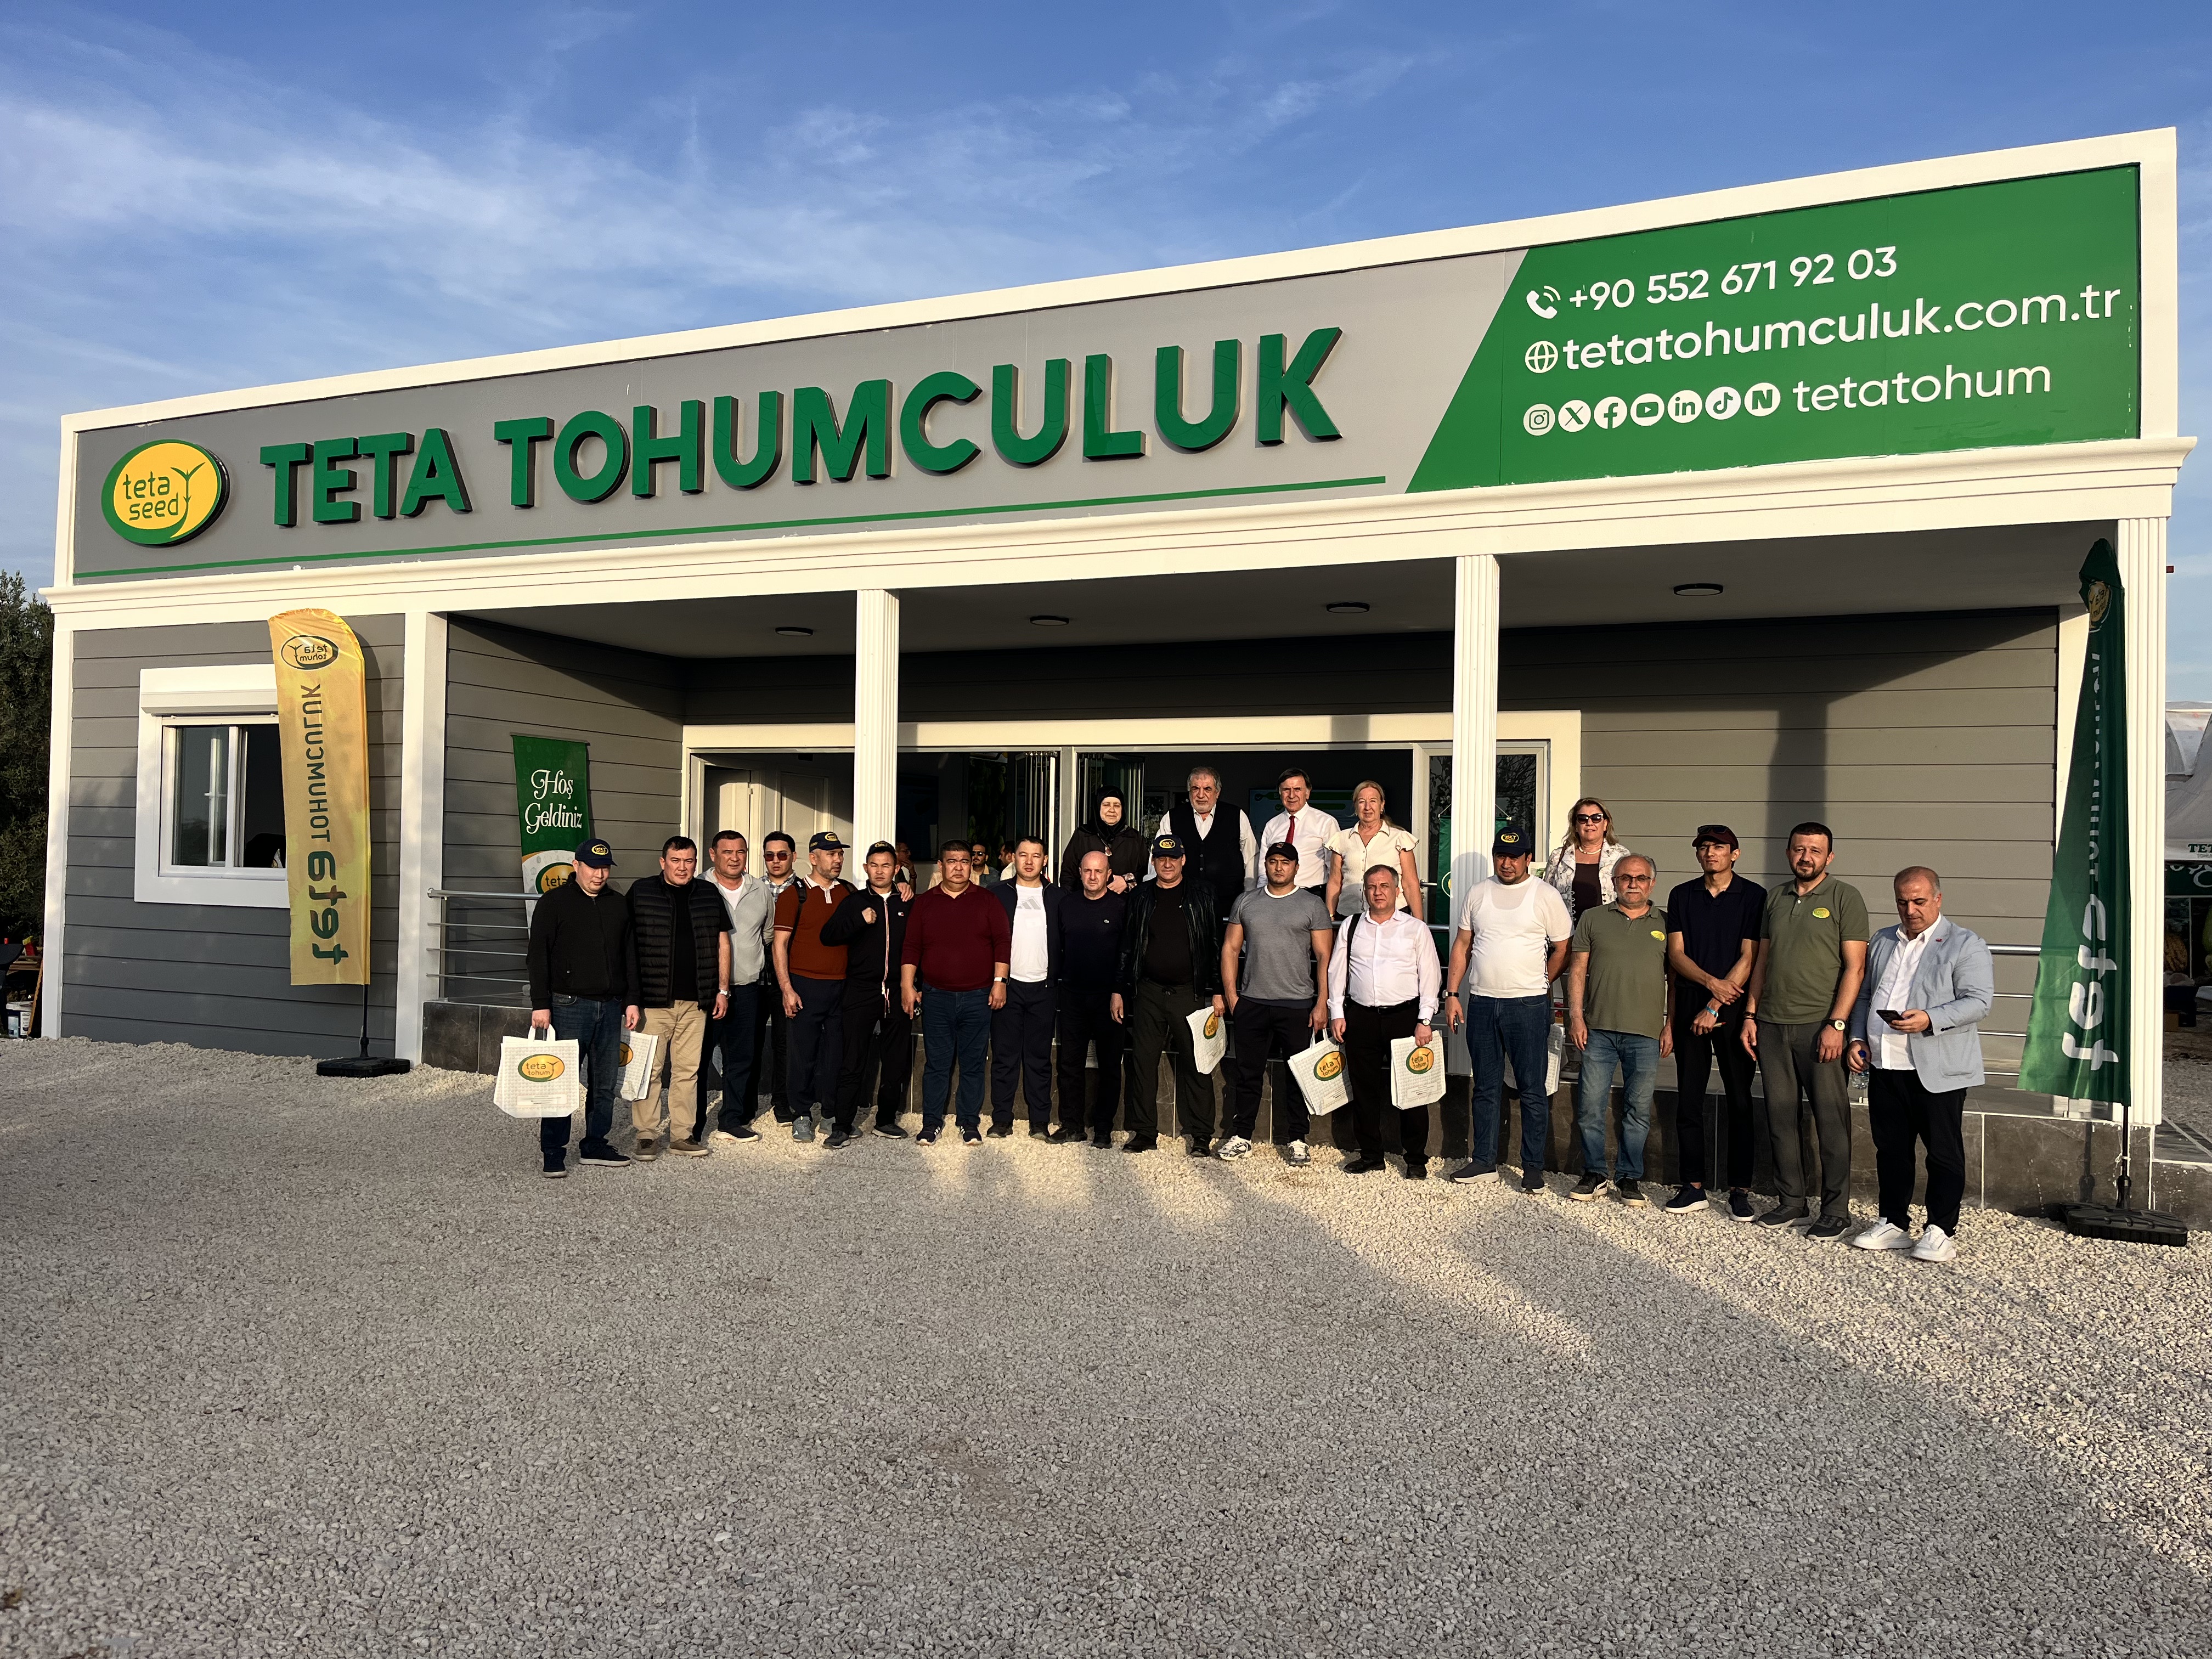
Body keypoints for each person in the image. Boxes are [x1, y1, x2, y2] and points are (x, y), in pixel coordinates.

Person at [1848, 867, 1994, 1263]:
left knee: (1943, 1152)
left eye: (1919, 901)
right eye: (1902, 902)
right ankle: (1893, 1223)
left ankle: (1941, 1230)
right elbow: (1865, 996)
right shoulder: (1883, 940)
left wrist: (1930, 1018)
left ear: (1938, 899)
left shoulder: (1965, 944)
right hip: (1885, 1064)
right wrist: (1857, 1038)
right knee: (1891, 1150)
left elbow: (1979, 1001)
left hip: (1938, 1068)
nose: (1910, 910)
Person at [1742, 822, 1870, 1239]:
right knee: (1780, 1118)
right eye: (1799, 849)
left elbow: (1855, 968)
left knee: (1831, 1121)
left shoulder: (1845, 897)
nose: (1806, 857)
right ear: (1788, 853)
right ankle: (1791, 1201)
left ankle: (1836, 1210)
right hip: (1772, 1026)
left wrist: (1837, 1024)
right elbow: (1762, 962)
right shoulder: (1775, 898)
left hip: (1820, 1027)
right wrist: (1751, 1015)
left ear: (1829, 857)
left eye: (1815, 850)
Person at [1443, 828, 1573, 1190]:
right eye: (1501, 855)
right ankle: (1483, 1161)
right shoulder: (1478, 893)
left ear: (1528, 858)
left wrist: (1542, 981)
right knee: (1485, 1087)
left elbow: (1563, 947)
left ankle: (1533, 1168)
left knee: (1532, 1088)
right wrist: (1452, 994)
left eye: (1515, 856)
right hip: (1482, 1002)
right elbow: (1462, 945)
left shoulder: (1545, 895)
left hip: (1528, 1006)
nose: (1507, 862)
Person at [1662, 826, 1765, 1218]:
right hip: (1692, 1002)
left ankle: (1740, 1188)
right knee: (1689, 1098)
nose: (1710, 853)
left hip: (1733, 1009)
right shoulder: (1682, 895)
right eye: (1704, 847)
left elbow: (1750, 957)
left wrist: (1716, 1006)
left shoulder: (1753, 896)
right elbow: (1676, 954)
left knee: (1740, 1098)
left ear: (1734, 854)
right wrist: (1709, 986)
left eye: (1719, 847)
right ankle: (1693, 1186)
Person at [526, 838, 640, 1177]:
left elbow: (630, 956)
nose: (599, 874)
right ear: (576, 866)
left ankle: (595, 1144)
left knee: (604, 1084)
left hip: (611, 1007)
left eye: (605, 868)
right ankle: (553, 1151)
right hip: (568, 1006)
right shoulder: (553, 902)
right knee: (560, 1081)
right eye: (593, 867)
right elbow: (538, 956)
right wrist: (540, 1004)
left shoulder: (618, 904)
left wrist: (632, 999)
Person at [1565, 854, 1672, 1205]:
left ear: (1652, 884)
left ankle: (1629, 1177)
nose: (1633, 884)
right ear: (1614, 882)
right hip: (1598, 1030)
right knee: (1590, 1108)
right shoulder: (1593, 918)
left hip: (1646, 1032)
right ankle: (1595, 1173)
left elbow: (1676, 980)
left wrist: (1670, 1024)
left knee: (1637, 1110)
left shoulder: (1667, 923)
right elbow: (1577, 971)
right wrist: (1576, 1017)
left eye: (1641, 878)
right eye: (1625, 878)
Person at [1220, 841, 1334, 1164]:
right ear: (1265, 865)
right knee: (1247, 1073)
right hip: (1252, 1002)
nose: (1279, 867)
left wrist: (1322, 1002)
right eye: (1273, 861)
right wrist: (1232, 996)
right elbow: (1230, 949)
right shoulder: (1246, 901)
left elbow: (1325, 956)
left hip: (1297, 1004)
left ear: (1296, 867)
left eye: (1286, 862)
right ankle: (1242, 1135)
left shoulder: (1312, 905)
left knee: (1297, 1074)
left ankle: (1298, 1138)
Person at [1114, 833, 1225, 1155]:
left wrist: (1218, 990)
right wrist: (1119, 990)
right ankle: (1144, 1132)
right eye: (1161, 858)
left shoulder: (1203, 894)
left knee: (1198, 1065)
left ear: (1183, 860)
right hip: (1147, 992)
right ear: (1153, 861)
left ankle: (1201, 1135)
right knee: (1143, 1064)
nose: (1167, 864)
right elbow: (1127, 946)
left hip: (1189, 993)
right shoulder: (1140, 896)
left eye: (1173, 858)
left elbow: (1215, 946)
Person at [1328, 865, 1441, 1178]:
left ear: (1397, 891)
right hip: (1361, 1016)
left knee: (1412, 1088)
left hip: (1404, 1018)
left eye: (1385, 886)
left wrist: (1425, 1019)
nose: (1378, 892)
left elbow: (1430, 975)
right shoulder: (1351, 926)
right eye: (1372, 887)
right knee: (1364, 1089)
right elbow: (1336, 971)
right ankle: (1370, 1155)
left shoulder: (1415, 928)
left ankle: (1416, 1158)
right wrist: (1337, 1012)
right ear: (1365, 891)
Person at [625, 836, 732, 1161]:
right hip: (653, 1001)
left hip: (696, 1002)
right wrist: (631, 998)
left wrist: (722, 989)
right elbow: (626, 946)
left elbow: (722, 943)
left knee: (687, 1071)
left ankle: (682, 1135)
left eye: (689, 861)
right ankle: (646, 1135)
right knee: (648, 1070)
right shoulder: (642, 892)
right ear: (663, 862)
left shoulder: (708, 893)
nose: (682, 867)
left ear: (696, 863)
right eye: (675, 860)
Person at [901, 840, 1012, 1145]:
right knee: (937, 1064)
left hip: (978, 996)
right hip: (936, 996)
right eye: (952, 861)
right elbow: (911, 946)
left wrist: (1000, 981)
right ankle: (931, 1123)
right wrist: (907, 986)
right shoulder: (925, 903)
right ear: (941, 866)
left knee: (973, 1064)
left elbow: (1003, 942)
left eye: (965, 861)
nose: (959, 867)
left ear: (972, 865)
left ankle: (969, 1122)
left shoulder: (988, 900)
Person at [820, 841, 915, 1146]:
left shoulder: (908, 901)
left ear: (896, 869)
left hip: (898, 989)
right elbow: (828, 936)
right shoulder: (854, 901)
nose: (880, 871)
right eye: (874, 865)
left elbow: (920, 946)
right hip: (861, 990)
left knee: (895, 1060)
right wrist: (858, 920)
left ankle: (885, 1120)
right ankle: (842, 1125)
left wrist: (916, 986)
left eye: (886, 865)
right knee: (852, 1059)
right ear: (865, 868)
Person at [773, 831, 855, 1143]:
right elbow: (780, 945)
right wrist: (787, 989)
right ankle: (802, 1114)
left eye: (840, 854)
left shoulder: (848, 892)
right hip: (805, 985)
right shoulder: (794, 895)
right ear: (813, 857)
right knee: (802, 1054)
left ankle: (832, 1113)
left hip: (841, 985)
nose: (838, 860)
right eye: (831, 854)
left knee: (836, 1054)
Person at [698, 829, 777, 1147]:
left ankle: (731, 1120)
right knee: (699, 1059)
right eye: (727, 852)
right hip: (705, 991)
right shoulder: (699, 887)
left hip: (746, 988)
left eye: (740, 852)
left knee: (742, 1058)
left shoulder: (761, 891)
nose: (734, 858)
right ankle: (692, 1125)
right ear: (713, 854)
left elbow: (767, 934)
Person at [991, 836, 1065, 1138]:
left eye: (1036, 856)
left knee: (1039, 1059)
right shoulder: (997, 894)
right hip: (1007, 986)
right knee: (1004, 1057)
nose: (1030, 861)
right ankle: (1001, 1120)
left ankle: (1039, 1122)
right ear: (1014, 858)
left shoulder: (1058, 897)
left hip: (1044, 988)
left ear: (1045, 860)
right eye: (1024, 855)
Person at [1056, 850, 1129, 1147]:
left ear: (1109, 874)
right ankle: (1072, 1125)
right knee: (1069, 1064)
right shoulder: (1067, 905)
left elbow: (1126, 952)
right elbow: (1059, 947)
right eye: (1087, 870)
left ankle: (1103, 1129)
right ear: (1080, 873)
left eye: (1099, 871)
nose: (1093, 876)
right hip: (1072, 996)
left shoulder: (1122, 907)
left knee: (1110, 1065)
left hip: (1108, 998)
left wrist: (1119, 990)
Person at [1164, 766, 1256, 922]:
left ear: (1218, 792)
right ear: (1189, 791)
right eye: (1196, 789)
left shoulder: (1237, 816)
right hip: (1184, 907)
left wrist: (1249, 898)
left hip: (1229, 907)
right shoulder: (1172, 817)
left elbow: (1252, 858)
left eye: (1207, 789)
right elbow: (1159, 859)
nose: (1201, 795)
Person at [1324, 781, 1421, 919]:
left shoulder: (1399, 838)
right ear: (1356, 807)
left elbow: (1410, 883)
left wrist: (1419, 921)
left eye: (1373, 801)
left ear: (1382, 805)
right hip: (1350, 916)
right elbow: (1334, 882)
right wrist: (1330, 917)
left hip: (1392, 918)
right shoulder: (1341, 839)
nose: (1367, 807)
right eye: (1362, 802)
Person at [754, 832, 800, 1121]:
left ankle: (782, 1100)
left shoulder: (805, 890)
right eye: (769, 855)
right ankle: (747, 1103)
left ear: (793, 856)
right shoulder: (752, 888)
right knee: (751, 1042)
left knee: (785, 1043)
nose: (776, 861)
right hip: (755, 977)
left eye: (782, 855)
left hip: (789, 978)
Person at [1544, 797, 1633, 922]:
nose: (1590, 823)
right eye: (1583, 819)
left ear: (1605, 824)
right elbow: (1546, 895)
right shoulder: (1558, 857)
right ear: (1576, 826)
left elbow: (1630, 894)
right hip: (1567, 930)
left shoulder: (1621, 856)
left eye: (1596, 818)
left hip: (1608, 928)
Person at [1258, 769, 1336, 896]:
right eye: (1286, 790)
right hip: (1276, 897)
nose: (1292, 795)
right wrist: (1261, 898)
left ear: (1308, 793)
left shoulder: (1326, 822)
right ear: (1280, 793)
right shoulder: (1272, 825)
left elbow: (1335, 870)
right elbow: (1263, 870)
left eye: (1297, 789)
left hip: (1312, 895)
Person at [1060, 790, 1147, 895]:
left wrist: (1127, 880)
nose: (1112, 810)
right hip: (1087, 901)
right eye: (1106, 805)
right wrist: (1071, 900)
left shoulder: (1133, 837)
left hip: (1125, 902)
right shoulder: (1083, 835)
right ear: (1098, 808)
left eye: (1117, 806)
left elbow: (1146, 871)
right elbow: (1068, 874)